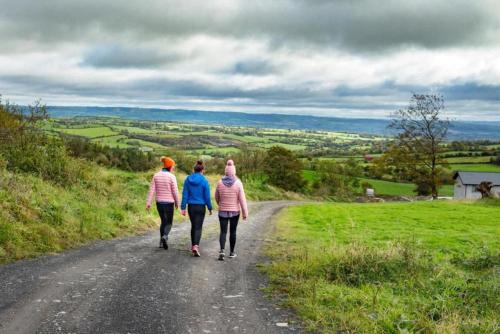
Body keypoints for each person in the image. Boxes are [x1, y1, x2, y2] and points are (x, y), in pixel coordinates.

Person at [215, 160, 248, 261]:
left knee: (223, 231)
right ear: (234, 171)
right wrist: (245, 213)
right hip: (235, 212)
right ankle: (232, 252)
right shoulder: (238, 183)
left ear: (226, 171)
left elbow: (216, 196)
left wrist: (220, 204)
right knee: (233, 232)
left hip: (222, 211)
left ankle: (222, 250)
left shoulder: (220, 182)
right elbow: (242, 199)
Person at [181, 160, 213, 257]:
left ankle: (193, 245)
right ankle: (196, 246)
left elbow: (185, 194)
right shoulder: (204, 180)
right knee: (198, 227)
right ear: (202, 170)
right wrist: (210, 207)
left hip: (191, 206)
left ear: (193, 170)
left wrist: (183, 207)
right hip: (200, 207)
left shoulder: (188, 179)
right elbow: (207, 196)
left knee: (193, 225)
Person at [146, 156, 179, 250]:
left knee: (163, 221)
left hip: (159, 203)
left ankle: (161, 242)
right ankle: (165, 236)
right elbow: (175, 191)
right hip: (169, 203)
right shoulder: (172, 177)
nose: (173, 168)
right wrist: (177, 202)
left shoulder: (156, 175)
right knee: (169, 222)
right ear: (169, 166)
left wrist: (148, 203)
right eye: (172, 166)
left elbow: (151, 190)